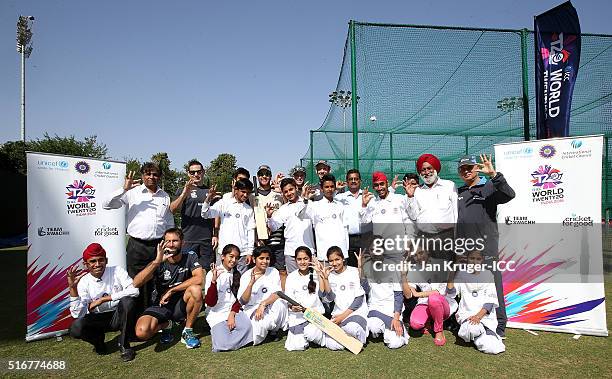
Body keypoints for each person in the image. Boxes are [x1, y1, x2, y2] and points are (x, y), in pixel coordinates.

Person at [456, 154, 515, 337]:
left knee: (493, 285)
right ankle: (465, 319)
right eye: (462, 169)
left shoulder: (489, 185)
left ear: (477, 169)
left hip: (486, 247)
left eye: (469, 167)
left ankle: (500, 326)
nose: (466, 171)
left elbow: (509, 194)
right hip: (464, 247)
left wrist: (494, 175)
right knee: (465, 285)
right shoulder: (459, 192)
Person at [103, 162, 174, 310]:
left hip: (158, 246)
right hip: (137, 246)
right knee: (135, 283)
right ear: (142, 175)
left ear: (159, 177)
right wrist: (124, 188)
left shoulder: (165, 196)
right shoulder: (131, 192)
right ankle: (136, 316)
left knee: (158, 281)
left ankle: (154, 315)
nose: (151, 177)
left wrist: (169, 243)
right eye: (148, 173)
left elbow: (168, 222)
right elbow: (106, 204)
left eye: (155, 174)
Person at [133, 228, 203, 349]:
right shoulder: (158, 261)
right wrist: (157, 262)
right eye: (168, 241)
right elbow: (136, 283)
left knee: (196, 290)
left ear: (183, 242)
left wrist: (172, 290)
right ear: (163, 243)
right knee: (141, 332)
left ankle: (187, 331)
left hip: (181, 303)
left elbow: (199, 279)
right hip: (161, 304)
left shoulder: (190, 256)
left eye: (175, 241)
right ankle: (166, 325)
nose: (171, 244)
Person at [68, 243, 139, 361]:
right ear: (85, 264)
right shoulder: (83, 281)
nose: (97, 265)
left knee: (128, 302)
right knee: (75, 328)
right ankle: (99, 343)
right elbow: (77, 314)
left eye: (101, 260)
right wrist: (72, 289)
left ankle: (124, 345)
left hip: (118, 315)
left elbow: (134, 291)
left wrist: (104, 299)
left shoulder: (117, 270)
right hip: (98, 319)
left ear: (106, 260)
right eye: (92, 261)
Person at [447, 250, 506, 354]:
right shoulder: (462, 273)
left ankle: (485, 333)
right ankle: (483, 334)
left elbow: (490, 301)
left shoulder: (488, 274)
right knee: (471, 329)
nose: (475, 262)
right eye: (472, 258)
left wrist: (478, 317)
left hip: (484, 316)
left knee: (494, 348)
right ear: (467, 260)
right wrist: (453, 270)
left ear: (482, 260)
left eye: (478, 259)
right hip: (467, 315)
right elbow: (451, 291)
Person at [312, 246, 368, 351]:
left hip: (355, 312)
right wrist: (324, 278)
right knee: (331, 344)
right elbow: (328, 299)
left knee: (352, 328)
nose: (334, 263)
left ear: (343, 258)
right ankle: (348, 341)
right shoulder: (329, 274)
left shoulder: (354, 271)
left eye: (337, 259)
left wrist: (342, 317)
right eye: (331, 261)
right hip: (338, 313)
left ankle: (356, 337)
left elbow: (358, 300)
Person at [354, 250, 410, 349]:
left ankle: (396, 329)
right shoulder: (366, 265)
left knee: (394, 344)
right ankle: (385, 328)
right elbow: (366, 290)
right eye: (372, 250)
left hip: (391, 310)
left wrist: (396, 318)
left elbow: (398, 295)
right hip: (374, 309)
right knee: (373, 327)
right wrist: (360, 268)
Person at [405, 154, 457, 260]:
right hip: (424, 238)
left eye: (429, 168)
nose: (426, 172)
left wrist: (457, 237)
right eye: (423, 169)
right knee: (426, 271)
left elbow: (456, 212)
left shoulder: (449, 185)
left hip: (445, 237)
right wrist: (410, 196)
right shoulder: (417, 191)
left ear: (435, 169)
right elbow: (413, 216)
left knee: (446, 269)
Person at [204, 244, 253, 352]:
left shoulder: (237, 275)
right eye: (231, 256)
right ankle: (227, 339)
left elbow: (238, 300)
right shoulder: (212, 273)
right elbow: (210, 302)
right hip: (216, 314)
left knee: (249, 327)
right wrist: (213, 282)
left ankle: (230, 336)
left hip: (233, 311)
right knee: (222, 344)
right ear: (223, 256)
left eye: (236, 257)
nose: (233, 260)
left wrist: (232, 313)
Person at [201, 178, 256, 274]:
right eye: (243, 192)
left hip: (242, 253)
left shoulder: (249, 210)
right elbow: (205, 214)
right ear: (236, 189)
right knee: (221, 281)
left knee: (241, 282)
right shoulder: (224, 203)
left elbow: (250, 231)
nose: (245, 195)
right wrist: (208, 198)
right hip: (224, 252)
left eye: (248, 193)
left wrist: (249, 252)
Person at [170, 159, 217, 270]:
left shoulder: (210, 191)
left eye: (198, 172)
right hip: (188, 238)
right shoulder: (183, 190)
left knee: (206, 272)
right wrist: (184, 194)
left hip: (206, 239)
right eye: (192, 172)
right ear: (188, 173)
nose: (196, 174)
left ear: (203, 172)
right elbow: (172, 209)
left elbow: (216, 216)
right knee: (186, 272)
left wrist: (215, 234)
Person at [237, 246, 287, 345]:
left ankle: (273, 331)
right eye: (261, 258)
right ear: (254, 259)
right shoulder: (246, 276)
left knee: (281, 303)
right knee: (257, 334)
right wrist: (251, 284)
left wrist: (263, 304)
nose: (265, 261)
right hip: (252, 309)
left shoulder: (273, 272)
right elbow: (243, 300)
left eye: (267, 258)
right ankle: (267, 328)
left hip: (269, 305)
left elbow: (278, 293)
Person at [407, 248, 457, 346]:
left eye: (421, 253)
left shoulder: (442, 264)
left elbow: (439, 292)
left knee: (433, 298)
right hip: (425, 301)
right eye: (415, 255)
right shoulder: (413, 269)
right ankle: (428, 321)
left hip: (444, 303)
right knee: (415, 324)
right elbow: (410, 289)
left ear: (427, 251)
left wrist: (417, 294)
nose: (419, 257)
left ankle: (439, 330)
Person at [266, 178, 315, 274]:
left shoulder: (309, 203)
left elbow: (302, 214)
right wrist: (269, 217)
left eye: (291, 189)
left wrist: (305, 200)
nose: (289, 193)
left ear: (296, 188)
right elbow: (273, 227)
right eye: (285, 192)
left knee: (311, 281)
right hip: (291, 253)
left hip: (309, 251)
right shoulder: (283, 209)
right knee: (293, 281)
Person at [283, 246, 327, 351]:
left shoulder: (316, 274)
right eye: (299, 259)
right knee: (295, 346)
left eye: (305, 259)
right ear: (295, 260)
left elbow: (322, 295)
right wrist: (292, 308)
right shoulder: (291, 277)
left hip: (315, 315)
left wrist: (320, 274)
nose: (302, 262)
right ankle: (303, 336)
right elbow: (288, 300)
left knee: (311, 334)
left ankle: (318, 335)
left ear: (310, 259)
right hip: (297, 317)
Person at [300, 174, 349, 261]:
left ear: (335, 188)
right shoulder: (315, 206)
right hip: (324, 255)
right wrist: (305, 200)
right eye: (326, 187)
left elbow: (345, 229)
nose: (329, 189)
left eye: (332, 186)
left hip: (341, 253)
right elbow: (300, 215)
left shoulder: (340, 205)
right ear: (322, 189)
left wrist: (345, 251)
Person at [253, 165, 286, 281]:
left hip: (278, 240)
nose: (264, 176)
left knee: (281, 270)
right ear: (257, 177)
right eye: (261, 174)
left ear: (270, 176)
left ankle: (283, 297)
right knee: (262, 271)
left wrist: (280, 189)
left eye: (267, 174)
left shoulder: (278, 195)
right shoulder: (252, 196)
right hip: (261, 241)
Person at [335, 169, 368, 268]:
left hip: (365, 238)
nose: (353, 181)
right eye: (351, 179)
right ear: (347, 182)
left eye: (356, 179)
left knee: (365, 269)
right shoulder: (340, 197)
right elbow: (328, 203)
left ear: (360, 181)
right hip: (348, 239)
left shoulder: (368, 196)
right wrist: (335, 190)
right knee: (350, 269)